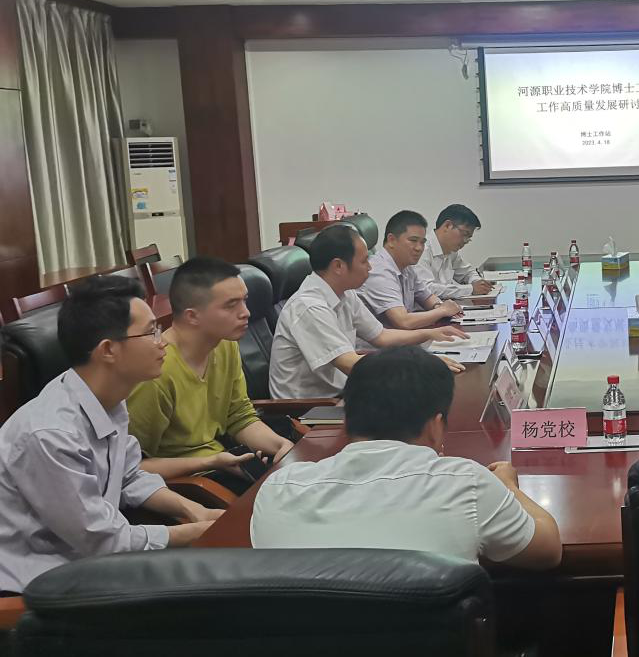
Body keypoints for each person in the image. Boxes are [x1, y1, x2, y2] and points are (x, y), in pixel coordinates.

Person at [0, 277, 220, 593]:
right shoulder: (50, 434)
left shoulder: (107, 399)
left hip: (91, 561)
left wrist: (193, 510)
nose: (163, 342)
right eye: (151, 332)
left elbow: (128, 476)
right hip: (41, 585)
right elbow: (102, 540)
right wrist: (194, 532)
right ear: (108, 350)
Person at [252, 346, 562, 570]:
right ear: (436, 426)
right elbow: (548, 549)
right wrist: (508, 486)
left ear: (345, 421)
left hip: (304, 645)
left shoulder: (279, 489)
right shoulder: (465, 483)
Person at [127, 257, 294, 494]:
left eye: (244, 300)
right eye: (231, 305)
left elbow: (239, 417)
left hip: (224, 458)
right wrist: (210, 462)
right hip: (188, 482)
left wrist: (280, 445)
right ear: (192, 316)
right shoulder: (155, 371)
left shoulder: (225, 343)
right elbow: (132, 467)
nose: (245, 313)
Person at [269, 225, 467, 400]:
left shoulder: (345, 293)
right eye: (364, 261)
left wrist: (429, 334)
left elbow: (381, 336)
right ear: (338, 266)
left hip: (344, 393)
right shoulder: (309, 307)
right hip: (311, 410)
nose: (370, 267)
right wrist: (421, 364)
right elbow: (351, 364)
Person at [358, 209, 464, 330]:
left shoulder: (406, 267)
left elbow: (427, 297)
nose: (419, 248)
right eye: (413, 240)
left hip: (401, 336)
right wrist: (443, 310)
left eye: (422, 242)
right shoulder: (379, 271)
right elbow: (403, 321)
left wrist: (438, 306)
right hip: (375, 341)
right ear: (391, 240)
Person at [417, 204, 494, 300]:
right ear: (447, 225)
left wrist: (478, 282)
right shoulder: (421, 250)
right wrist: (471, 289)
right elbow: (426, 289)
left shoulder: (450, 251)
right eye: (464, 234)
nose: (466, 241)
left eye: (469, 238)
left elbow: (468, 272)